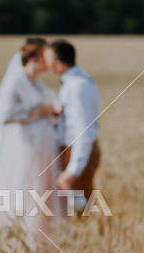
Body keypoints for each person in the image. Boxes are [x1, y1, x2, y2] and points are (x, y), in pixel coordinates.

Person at [0, 38, 63, 253]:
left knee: (42, 201)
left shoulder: (36, 83)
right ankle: (19, 249)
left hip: (43, 153)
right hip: (26, 153)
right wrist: (39, 112)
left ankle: (39, 250)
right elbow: (5, 115)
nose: (49, 61)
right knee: (26, 197)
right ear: (33, 57)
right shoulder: (15, 81)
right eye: (44, 56)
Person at [43, 40, 101, 211]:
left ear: (59, 65)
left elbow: (84, 131)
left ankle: (90, 236)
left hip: (77, 151)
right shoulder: (77, 79)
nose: (45, 64)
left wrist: (73, 170)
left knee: (82, 208)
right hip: (74, 149)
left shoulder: (77, 86)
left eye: (47, 60)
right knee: (77, 206)